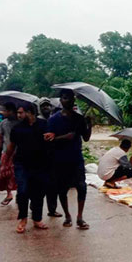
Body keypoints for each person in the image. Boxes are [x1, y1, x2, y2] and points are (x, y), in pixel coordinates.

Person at [46, 89, 92, 230]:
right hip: (60, 159)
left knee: (82, 187)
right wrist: (64, 137)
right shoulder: (53, 120)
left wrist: (89, 125)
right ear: (61, 100)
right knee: (62, 189)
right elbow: (48, 140)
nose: (68, 100)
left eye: (71, 98)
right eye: (65, 98)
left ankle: (80, 217)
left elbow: (86, 138)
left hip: (76, 158)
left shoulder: (79, 119)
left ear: (74, 100)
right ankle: (67, 215)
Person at [6, 104, 50, 233]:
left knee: (39, 192)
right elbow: (11, 146)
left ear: (30, 112)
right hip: (22, 164)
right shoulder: (17, 128)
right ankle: (23, 218)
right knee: (23, 191)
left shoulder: (44, 124)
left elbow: (51, 140)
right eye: (18, 113)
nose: (18, 115)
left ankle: (37, 218)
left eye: (21, 112)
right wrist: (6, 161)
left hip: (40, 164)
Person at [0, 103, 20, 205]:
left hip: (20, 153)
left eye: (4, 110)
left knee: (18, 175)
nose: (2, 112)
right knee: (5, 174)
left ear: (11, 111)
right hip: (6, 153)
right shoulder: (3, 123)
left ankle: (19, 194)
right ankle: (9, 194)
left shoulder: (21, 122)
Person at [37, 98, 61, 217]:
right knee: (39, 186)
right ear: (39, 108)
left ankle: (52, 209)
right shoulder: (37, 122)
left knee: (53, 186)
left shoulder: (54, 121)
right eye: (43, 106)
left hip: (53, 157)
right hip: (39, 158)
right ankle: (35, 208)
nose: (45, 108)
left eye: (47, 106)